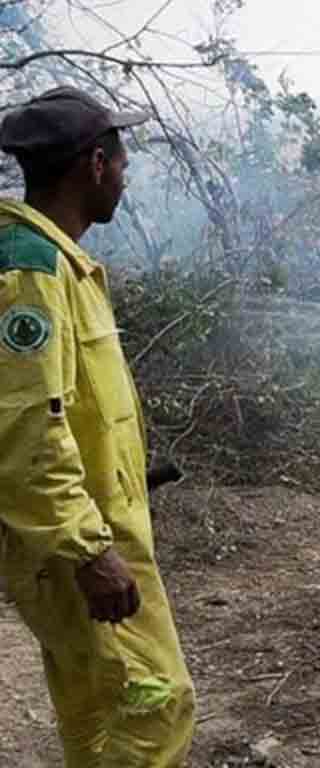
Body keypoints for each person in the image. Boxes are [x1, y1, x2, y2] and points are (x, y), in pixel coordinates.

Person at [0, 87, 195, 766]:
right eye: (122, 162)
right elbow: (25, 427)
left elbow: (66, 409)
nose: (126, 176)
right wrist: (87, 551)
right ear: (94, 164)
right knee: (156, 705)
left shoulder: (56, 262)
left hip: (76, 532)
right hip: (76, 544)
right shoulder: (30, 271)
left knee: (92, 711)